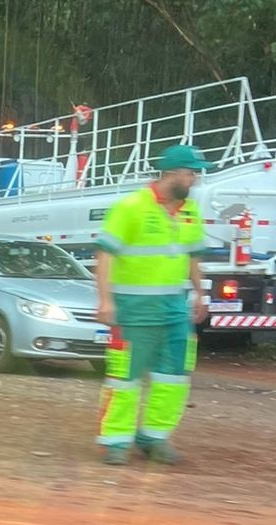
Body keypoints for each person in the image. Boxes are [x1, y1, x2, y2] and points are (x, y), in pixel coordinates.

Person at [93, 144, 210, 466]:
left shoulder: (190, 211)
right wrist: (104, 301)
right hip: (132, 312)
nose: (195, 180)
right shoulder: (131, 207)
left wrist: (201, 294)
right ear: (172, 174)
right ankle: (115, 441)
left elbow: (192, 257)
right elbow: (104, 256)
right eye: (190, 173)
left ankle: (155, 438)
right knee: (123, 379)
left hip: (175, 311)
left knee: (173, 378)